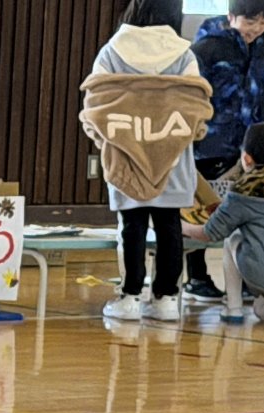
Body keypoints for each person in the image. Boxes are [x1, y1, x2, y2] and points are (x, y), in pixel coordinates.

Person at [81, 0, 213, 322]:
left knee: (132, 227)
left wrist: (104, 141)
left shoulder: (112, 51)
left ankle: (129, 298)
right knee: (169, 227)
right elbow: (197, 105)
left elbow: (95, 103)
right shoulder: (184, 54)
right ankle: (166, 298)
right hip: (171, 156)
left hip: (127, 153)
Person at [184, 0, 264, 301]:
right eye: (250, 21)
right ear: (232, 16)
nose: (257, 29)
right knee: (200, 211)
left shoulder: (263, 51)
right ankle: (196, 278)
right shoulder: (207, 48)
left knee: (245, 213)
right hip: (207, 144)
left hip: (246, 147)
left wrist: (260, 143)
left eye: (263, 22)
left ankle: (245, 279)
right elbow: (191, 99)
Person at [183, 121, 264, 327]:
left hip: (261, 271)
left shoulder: (244, 190)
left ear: (247, 158)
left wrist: (182, 227)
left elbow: (211, 232)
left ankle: (233, 308)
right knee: (262, 312)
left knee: (231, 238)